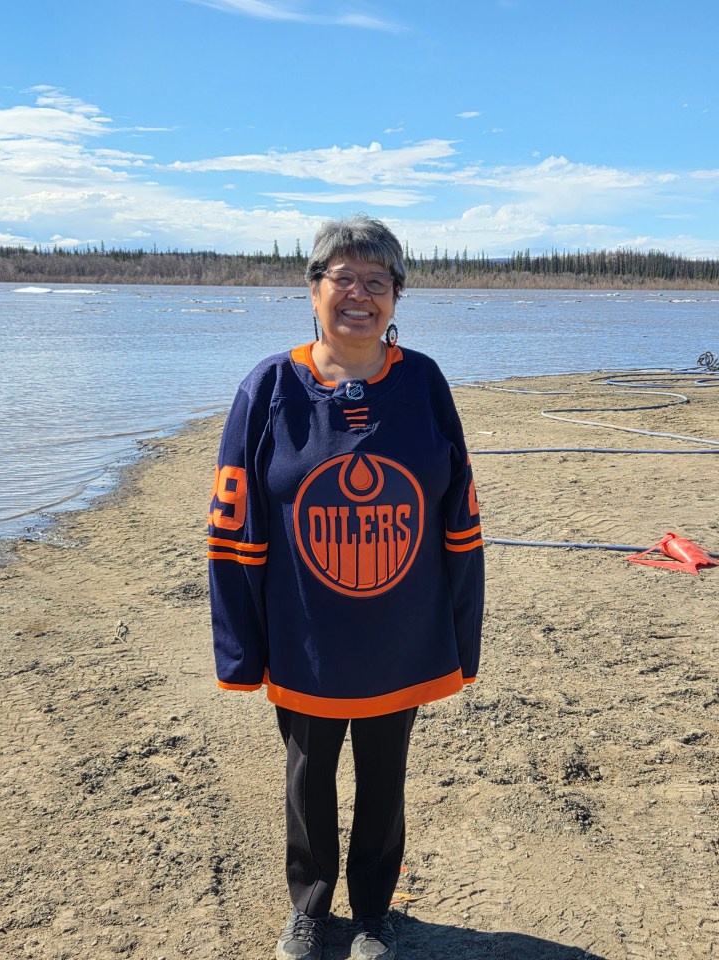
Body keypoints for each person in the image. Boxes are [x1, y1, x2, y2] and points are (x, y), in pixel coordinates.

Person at [208, 215, 484, 960]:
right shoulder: (268, 387)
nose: (360, 295)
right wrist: (241, 648)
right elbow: (233, 527)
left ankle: (372, 915)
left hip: (401, 630)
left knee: (385, 777)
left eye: (377, 281)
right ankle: (310, 907)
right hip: (306, 633)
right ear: (313, 290)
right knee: (309, 777)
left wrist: (461, 635)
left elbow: (460, 517)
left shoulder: (423, 383)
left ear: (396, 296)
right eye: (343, 278)